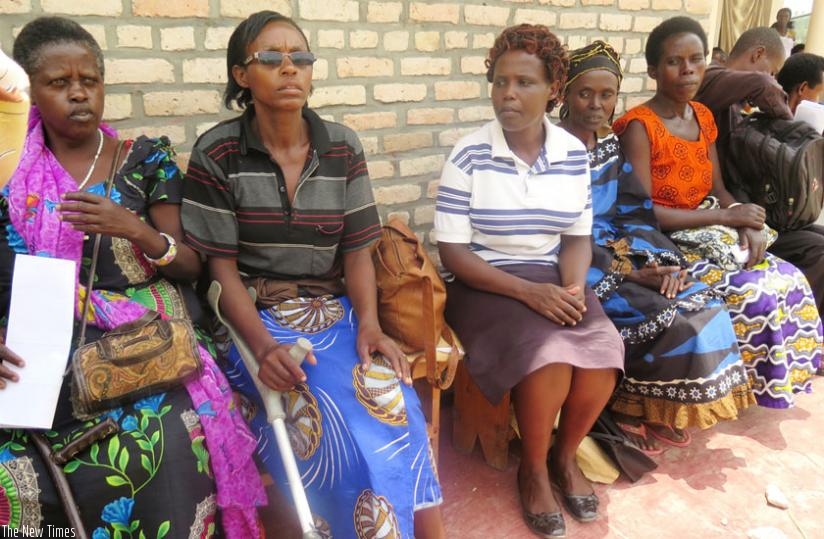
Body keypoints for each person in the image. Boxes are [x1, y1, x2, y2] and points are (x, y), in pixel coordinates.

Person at [180, 11, 445, 539]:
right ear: (241, 75)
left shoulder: (341, 146)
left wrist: (369, 324)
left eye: (300, 58)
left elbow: (356, 251)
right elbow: (220, 272)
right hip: (255, 318)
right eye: (270, 59)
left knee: (392, 397)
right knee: (324, 409)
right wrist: (263, 350)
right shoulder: (218, 153)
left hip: (334, 312)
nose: (289, 69)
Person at [0, 16, 264, 538]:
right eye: (59, 83)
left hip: (141, 338)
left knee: (162, 437)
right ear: (30, 91)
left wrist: (137, 232)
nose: (79, 94)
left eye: (90, 81)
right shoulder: (8, 171)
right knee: (19, 460)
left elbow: (191, 263)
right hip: (36, 335)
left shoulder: (143, 159)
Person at [435, 24, 624, 536]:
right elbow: (451, 250)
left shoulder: (571, 154)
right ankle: (533, 468)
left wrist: (569, 289)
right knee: (551, 359)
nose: (508, 94)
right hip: (483, 282)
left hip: (550, 276)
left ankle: (565, 457)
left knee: (602, 355)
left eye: (524, 82)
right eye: (500, 82)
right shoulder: (469, 153)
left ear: (552, 90)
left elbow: (577, 238)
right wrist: (527, 292)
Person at [613, 16, 822, 409]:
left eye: (696, 59)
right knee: (753, 293)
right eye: (675, 61)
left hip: (707, 226)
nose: (688, 69)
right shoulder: (640, 127)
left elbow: (718, 189)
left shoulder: (703, 117)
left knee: (789, 278)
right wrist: (725, 219)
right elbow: (644, 214)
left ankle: (765, 386)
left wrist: (744, 218)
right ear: (653, 70)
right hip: (664, 239)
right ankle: (725, 393)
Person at [558, 41, 753, 454]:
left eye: (607, 94)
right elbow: (560, 236)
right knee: (667, 314)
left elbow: (633, 211)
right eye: (584, 93)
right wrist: (626, 272)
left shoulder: (608, 145)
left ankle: (658, 405)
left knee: (702, 302)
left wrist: (661, 260)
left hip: (620, 247)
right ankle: (627, 407)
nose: (596, 104)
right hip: (579, 263)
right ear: (564, 94)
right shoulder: (552, 151)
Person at [696, 27, 824, 314]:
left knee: (818, 236)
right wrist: (788, 118)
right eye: (774, 71)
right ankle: (796, 325)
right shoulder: (710, 81)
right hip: (724, 209)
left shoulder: (734, 101)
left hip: (743, 202)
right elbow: (754, 84)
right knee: (819, 253)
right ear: (757, 54)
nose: (774, 79)